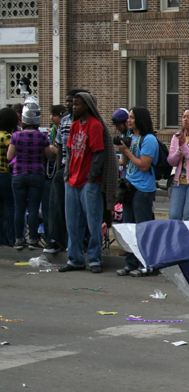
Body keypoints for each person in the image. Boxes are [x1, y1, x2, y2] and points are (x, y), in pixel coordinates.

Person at [59, 91, 116, 274]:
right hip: (72, 181)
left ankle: (94, 259)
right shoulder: (75, 125)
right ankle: (75, 259)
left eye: (77, 104)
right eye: (73, 104)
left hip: (89, 183)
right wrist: (67, 175)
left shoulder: (95, 125)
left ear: (87, 106)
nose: (73, 107)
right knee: (72, 224)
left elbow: (99, 154)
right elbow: (68, 151)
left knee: (93, 224)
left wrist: (91, 176)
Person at [115, 108, 159, 275]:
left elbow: (144, 165)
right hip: (129, 186)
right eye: (128, 118)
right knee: (129, 227)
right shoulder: (132, 137)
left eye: (132, 118)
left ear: (140, 119)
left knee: (143, 229)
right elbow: (127, 163)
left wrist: (127, 151)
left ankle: (147, 264)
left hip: (143, 189)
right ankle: (131, 263)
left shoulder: (149, 140)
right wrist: (122, 150)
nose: (129, 120)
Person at [7, 97, 56, 249]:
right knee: (34, 208)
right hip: (37, 173)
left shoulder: (16, 136)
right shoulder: (41, 136)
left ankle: (19, 239)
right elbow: (48, 154)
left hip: (19, 173)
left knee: (19, 208)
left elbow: (9, 156)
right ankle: (33, 239)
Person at [44, 89, 86, 254]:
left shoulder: (89, 121)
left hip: (82, 170)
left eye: (74, 102)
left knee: (81, 209)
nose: (69, 105)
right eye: (68, 102)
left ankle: (81, 242)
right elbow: (61, 146)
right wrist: (59, 171)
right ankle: (57, 240)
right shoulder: (65, 121)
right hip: (65, 168)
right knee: (57, 206)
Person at [42, 104, 66, 247]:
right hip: (50, 171)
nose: (52, 118)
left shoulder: (63, 131)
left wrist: (54, 150)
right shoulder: (51, 131)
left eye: (54, 115)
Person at [0, 107, 19, 246]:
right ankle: (13, 238)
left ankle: (1, 240)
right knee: (12, 207)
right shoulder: (8, 137)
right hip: (6, 175)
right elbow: (15, 153)